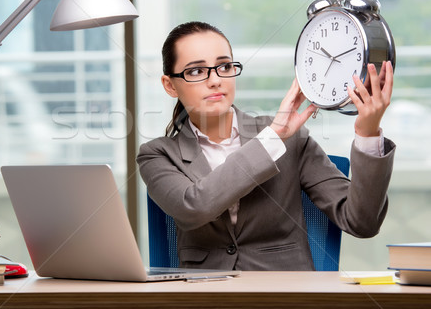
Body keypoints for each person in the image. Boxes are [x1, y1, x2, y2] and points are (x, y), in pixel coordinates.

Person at [136, 21, 395, 271]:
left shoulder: (291, 138)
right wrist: (273, 138)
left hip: (285, 298)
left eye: (224, 67)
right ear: (170, 85)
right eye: (196, 71)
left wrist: (368, 133)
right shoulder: (157, 155)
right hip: (207, 300)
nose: (215, 80)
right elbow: (193, 207)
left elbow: (362, 223)